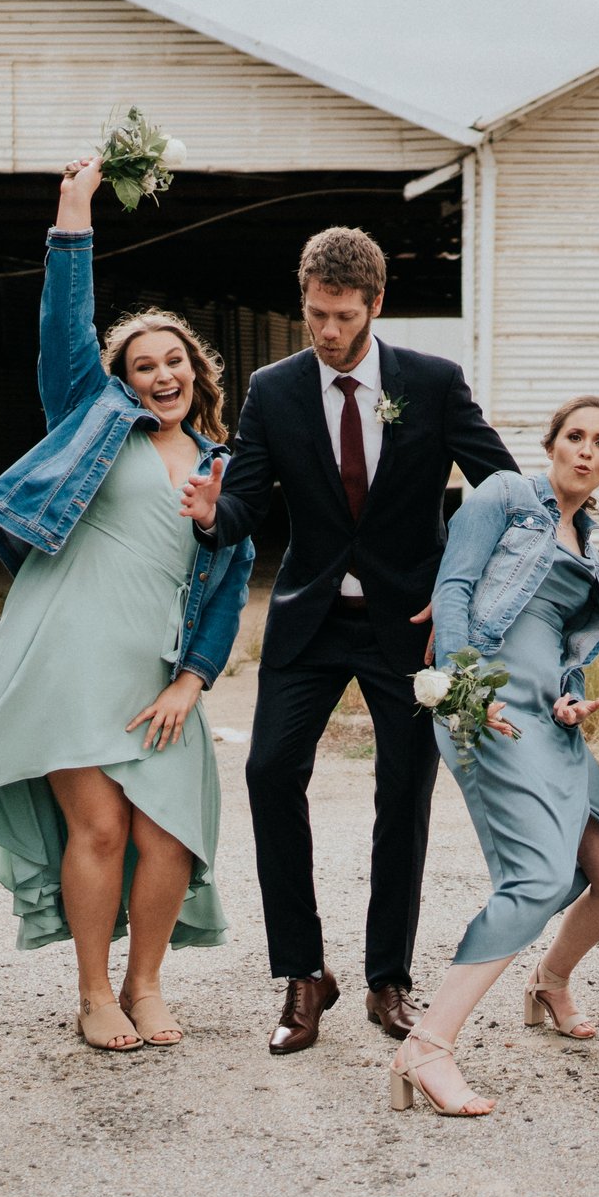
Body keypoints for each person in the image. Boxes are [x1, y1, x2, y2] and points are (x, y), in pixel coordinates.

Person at [0, 158, 254, 1051]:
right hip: (69, 658)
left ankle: (147, 984)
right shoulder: (92, 419)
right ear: (122, 380)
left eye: (173, 360)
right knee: (100, 828)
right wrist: (74, 215)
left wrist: (192, 680)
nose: (160, 374)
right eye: (142, 365)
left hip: (157, 672)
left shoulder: (227, 469)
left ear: (197, 372)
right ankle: (95, 993)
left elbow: (228, 588)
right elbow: (64, 329)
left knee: (170, 833)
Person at [180, 226, 516, 1055]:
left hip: (410, 627)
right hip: (312, 618)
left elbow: (503, 491)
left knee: (403, 794)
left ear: (374, 305)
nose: (327, 331)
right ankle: (304, 975)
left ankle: (387, 978)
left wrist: (462, 598)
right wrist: (213, 515)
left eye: (342, 316)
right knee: (268, 773)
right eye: (315, 314)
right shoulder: (274, 390)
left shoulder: (432, 383)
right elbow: (243, 504)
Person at [386, 397, 599, 1115]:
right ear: (551, 444)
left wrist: (571, 696)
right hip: (487, 711)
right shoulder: (504, 494)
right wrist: (465, 691)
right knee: (536, 879)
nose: (586, 451)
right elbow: (455, 587)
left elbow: (563, 643)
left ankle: (549, 981)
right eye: (575, 436)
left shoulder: (586, 542)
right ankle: (427, 1046)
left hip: (547, 721)